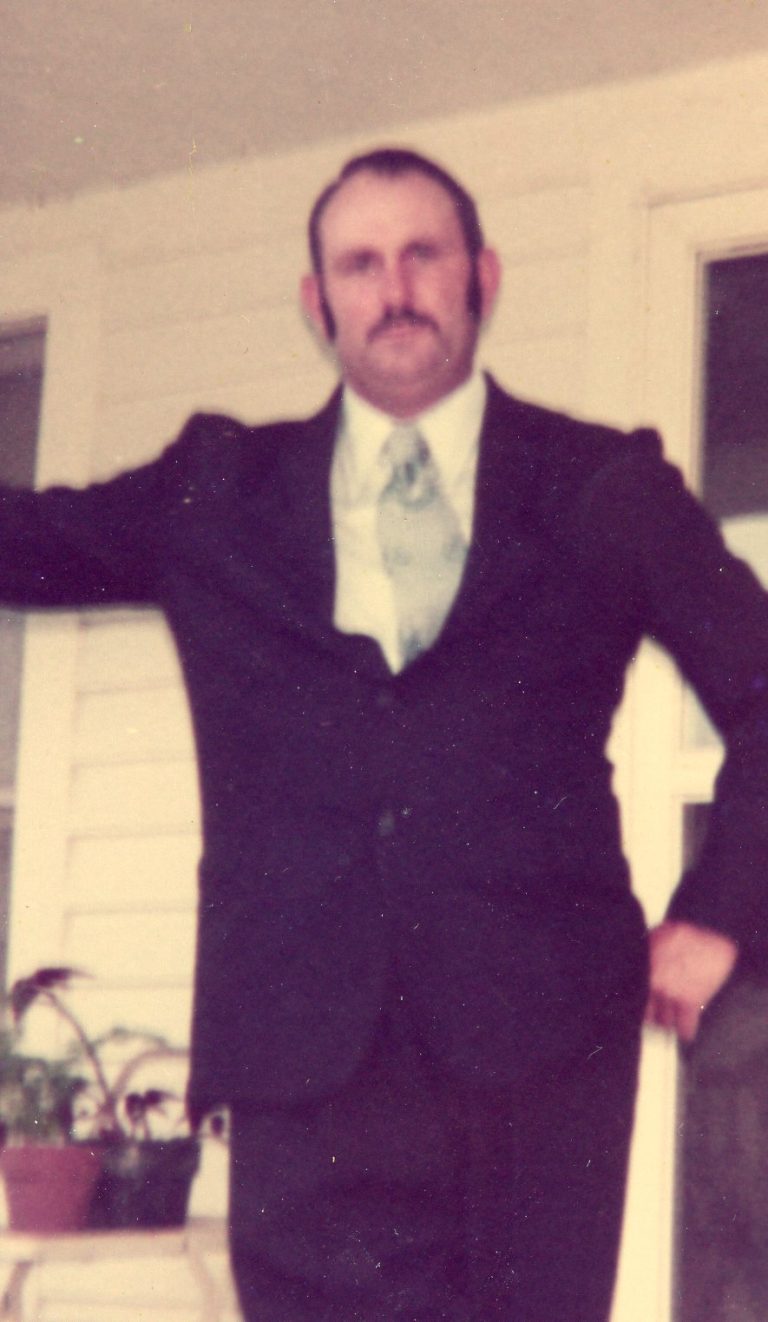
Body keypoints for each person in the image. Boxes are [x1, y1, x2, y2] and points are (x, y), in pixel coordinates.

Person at [0, 145, 763, 1320]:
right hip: (305, 1067)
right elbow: (26, 541)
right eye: (360, 264)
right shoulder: (219, 489)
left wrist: (721, 908)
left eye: (423, 255)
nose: (394, 288)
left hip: (542, 1063)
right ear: (318, 302)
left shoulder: (600, 486)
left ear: (482, 277)